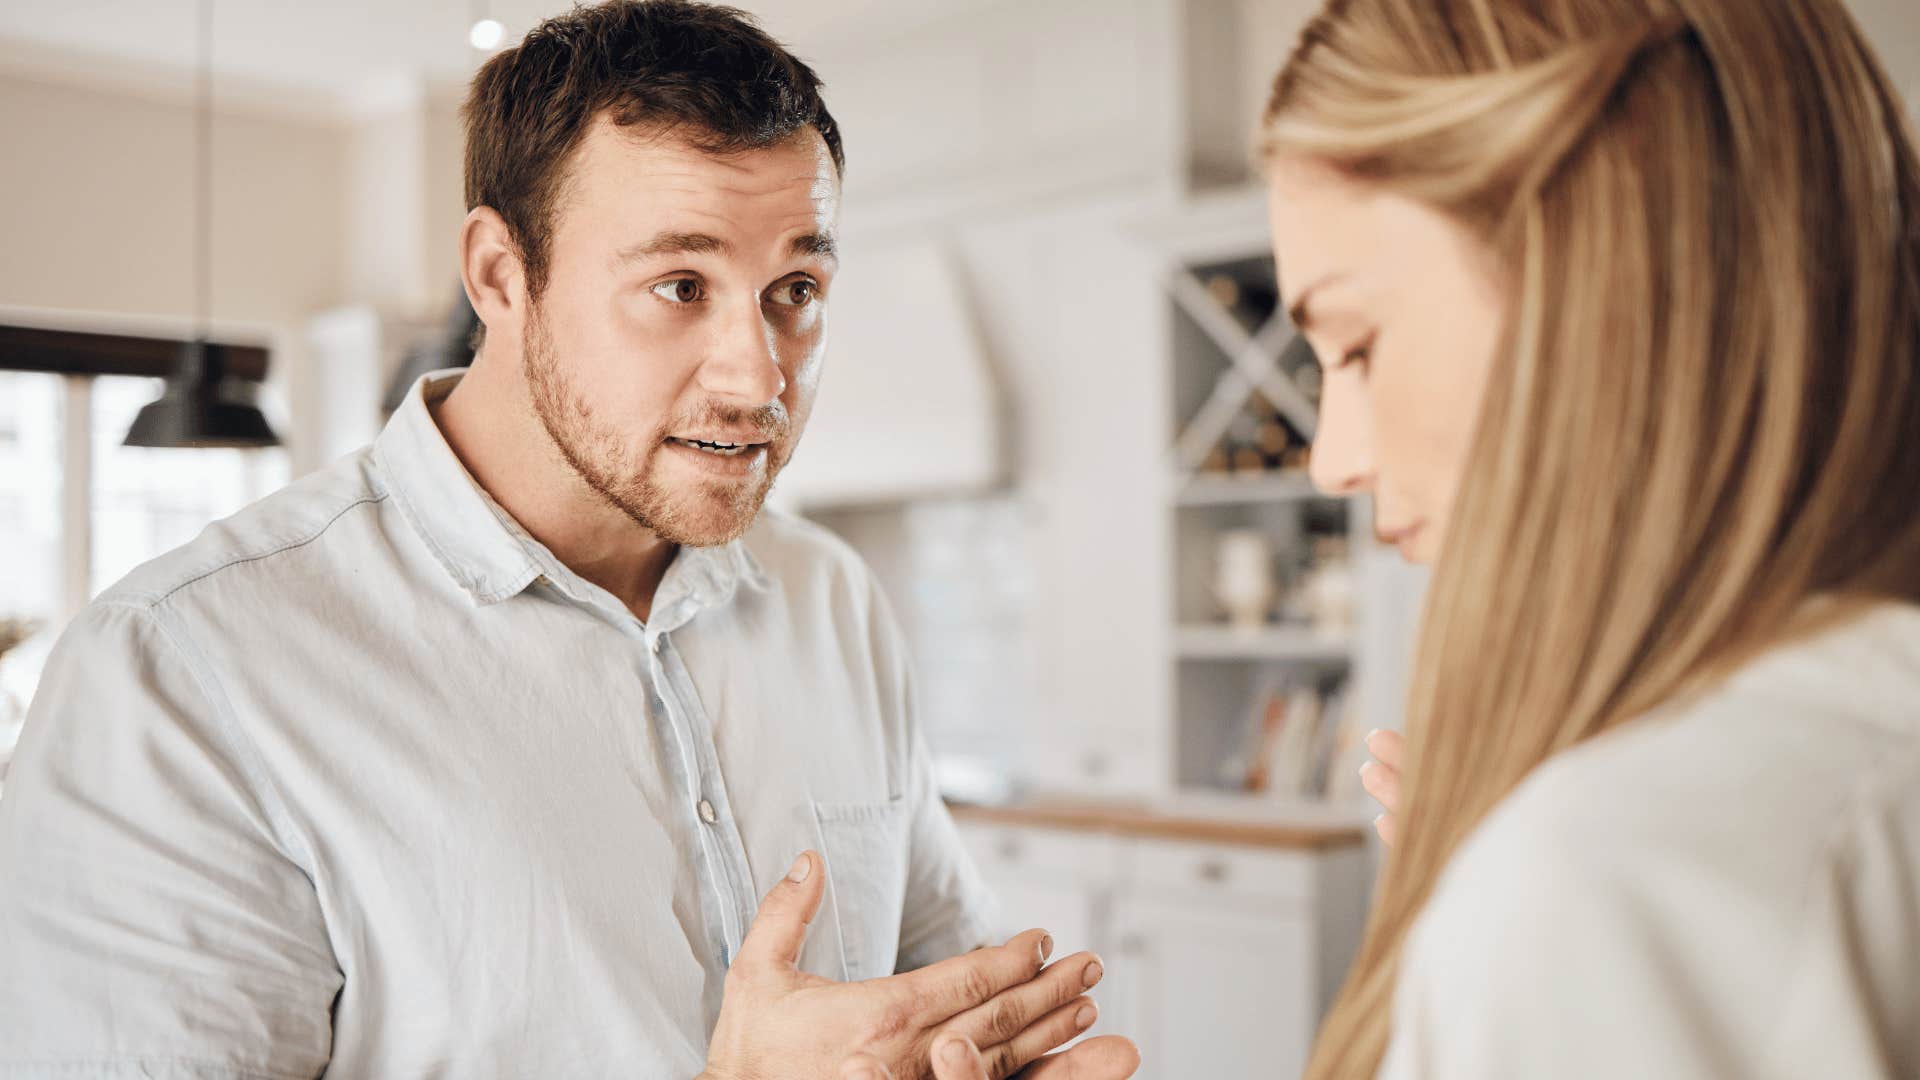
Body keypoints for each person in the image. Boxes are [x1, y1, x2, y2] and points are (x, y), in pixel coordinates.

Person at [0, 3, 1141, 1077]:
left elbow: (937, 992)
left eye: (795, 287)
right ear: (503, 275)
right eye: (680, 284)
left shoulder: (830, 597)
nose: (760, 377)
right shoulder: (177, 678)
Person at [875, 0, 1920, 1076]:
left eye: (1359, 345)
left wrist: (1516, 909)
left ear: (1598, 280)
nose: (1332, 459)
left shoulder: (1610, 874)